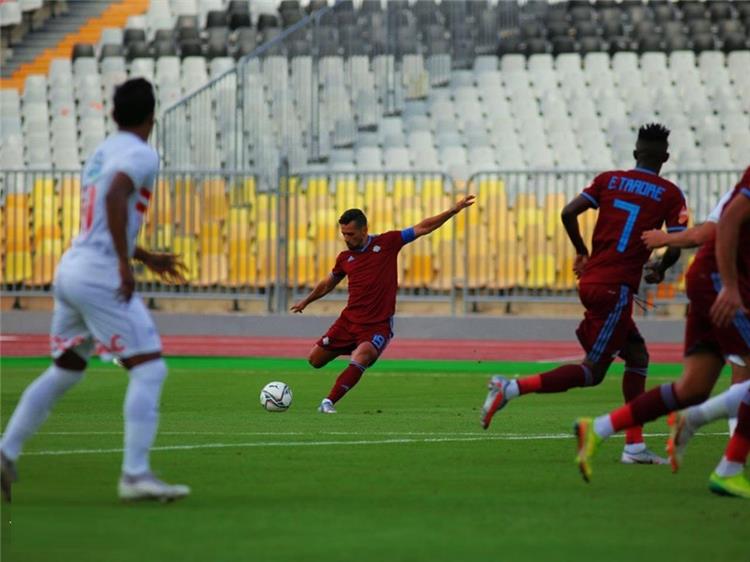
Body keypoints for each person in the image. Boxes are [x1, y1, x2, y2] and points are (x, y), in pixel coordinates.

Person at [0, 78, 190, 503]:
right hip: (100, 273)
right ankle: (135, 474)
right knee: (149, 368)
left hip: (73, 267)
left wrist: (142, 254)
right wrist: (124, 265)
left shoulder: (102, 151)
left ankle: (5, 451)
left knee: (66, 368)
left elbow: (108, 208)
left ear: (113, 114)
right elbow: (116, 194)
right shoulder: (141, 153)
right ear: (151, 116)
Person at [481, 123, 689, 465]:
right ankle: (510, 388)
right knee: (592, 372)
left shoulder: (609, 180)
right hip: (615, 289)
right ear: (665, 157)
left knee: (637, 357)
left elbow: (567, 212)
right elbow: (677, 242)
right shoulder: (669, 193)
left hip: (594, 282)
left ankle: (634, 446)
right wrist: (661, 267)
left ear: (635, 153)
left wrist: (582, 251)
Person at [574, 167, 750, 498]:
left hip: (712, 281)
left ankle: (597, 429)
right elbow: (719, 227)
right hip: (721, 284)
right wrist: (728, 285)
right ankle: (730, 467)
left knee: (694, 388)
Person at [291, 197, 475, 413]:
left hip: (376, 326)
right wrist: (307, 300)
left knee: (362, 356)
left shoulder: (387, 243)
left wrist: (453, 210)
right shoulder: (344, 258)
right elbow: (328, 283)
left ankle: (328, 402)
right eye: (343, 234)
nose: (346, 238)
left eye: (350, 234)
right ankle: (355, 347)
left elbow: (423, 227)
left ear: (364, 230)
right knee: (314, 359)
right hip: (348, 321)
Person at [642, 189, 749, 436]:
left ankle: (695, 422)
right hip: (729, 288)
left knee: (697, 386)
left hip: (725, 286)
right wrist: (666, 239)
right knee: (739, 372)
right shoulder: (739, 195)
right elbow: (704, 234)